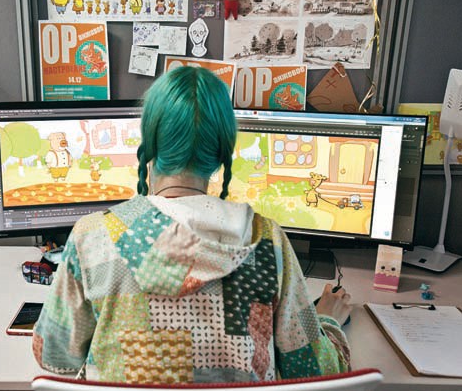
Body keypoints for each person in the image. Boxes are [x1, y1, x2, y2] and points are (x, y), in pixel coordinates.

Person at [32, 66, 352, 384]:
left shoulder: (92, 238)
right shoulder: (268, 240)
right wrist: (328, 320)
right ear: (222, 151)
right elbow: (314, 370)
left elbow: (53, 355)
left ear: (150, 143)